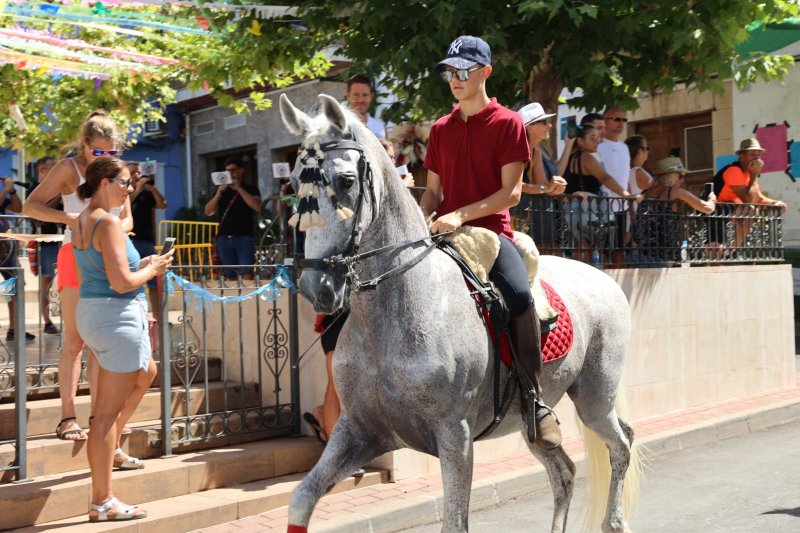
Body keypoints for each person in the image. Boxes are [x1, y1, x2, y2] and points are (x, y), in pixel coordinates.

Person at [421, 35, 561, 449]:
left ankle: (535, 401)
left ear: (485, 72)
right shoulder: (439, 129)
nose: (455, 79)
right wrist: (424, 216)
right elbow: (432, 192)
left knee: (518, 296)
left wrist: (460, 215)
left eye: (463, 71)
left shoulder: (509, 122)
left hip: (491, 235)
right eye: (449, 71)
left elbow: (511, 194)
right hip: (444, 233)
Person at [23, 110, 134, 441]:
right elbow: (31, 205)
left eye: (110, 151)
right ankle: (68, 417)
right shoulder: (68, 168)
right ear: (84, 144)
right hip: (75, 255)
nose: (104, 157)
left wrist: (113, 228)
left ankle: (101, 415)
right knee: (74, 341)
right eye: (97, 151)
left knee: (103, 341)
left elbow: (127, 218)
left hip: (110, 258)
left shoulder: (116, 170)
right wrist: (67, 218)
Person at [72, 157, 172, 521]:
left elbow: (106, 269)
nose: (130, 189)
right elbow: (121, 283)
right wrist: (153, 268)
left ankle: (110, 455)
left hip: (93, 313)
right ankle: (102, 501)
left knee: (147, 372)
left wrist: (141, 265)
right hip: (116, 317)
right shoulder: (109, 222)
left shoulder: (83, 219)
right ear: (103, 183)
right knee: (104, 418)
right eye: (125, 182)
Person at [634, 156, 716, 264]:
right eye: (680, 176)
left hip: (645, 251)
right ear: (671, 176)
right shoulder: (676, 192)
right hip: (667, 253)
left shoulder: (645, 193)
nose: (683, 180)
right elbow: (707, 208)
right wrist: (712, 200)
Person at [516, 102, 567, 251]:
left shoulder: (535, 151)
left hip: (527, 211)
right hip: (512, 212)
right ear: (529, 128)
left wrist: (555, 187)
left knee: (547, 248)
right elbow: (515, 185)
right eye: (544, 122)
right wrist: (546, 188)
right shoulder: (516, 149)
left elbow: (542, 185)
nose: (549, 125)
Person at [203, 157, 261, 280]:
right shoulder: (222, 190)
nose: (230, 173)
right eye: (227, 171)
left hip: (244, 237)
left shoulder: (250, 188)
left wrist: (239, 189)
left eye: (233, 170)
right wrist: (218, 193)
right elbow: (208, 211)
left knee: (247, 273)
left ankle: (248, 293)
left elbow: (257, 206)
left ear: (241, 170)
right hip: (224, 238)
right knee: (229, 275)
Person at [128, 161, 168, 316]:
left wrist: (152, 189)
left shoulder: (147, 192)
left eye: (138, 172)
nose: (137, 175)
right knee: (133, 282)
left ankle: (158, 318)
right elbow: (126, 205)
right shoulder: (123, 192)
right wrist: (138, 188)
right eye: (132, 172)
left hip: (147, 241)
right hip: (130, 242)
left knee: (154, 282)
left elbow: (163, 205)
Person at [0, 175, 34, 341]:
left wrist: (12, 191)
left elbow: (18, 207)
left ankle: (14, 328)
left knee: (13, 286)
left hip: (5, 249)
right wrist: (6, 189)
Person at [34, 157, 61, 335]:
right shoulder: (35, 190)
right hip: (46, 243)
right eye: (53, 168)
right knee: (46, 280)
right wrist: (58, 196)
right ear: (42, 170)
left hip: (65, 240)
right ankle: (47, 321)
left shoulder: (62, 186)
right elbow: (38, 216)